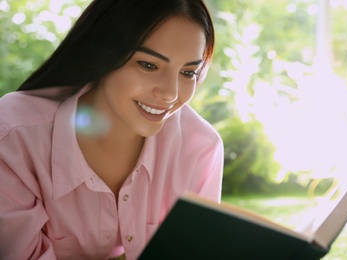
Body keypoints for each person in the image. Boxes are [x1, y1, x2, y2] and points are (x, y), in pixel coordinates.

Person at [0, 0, 224, 259]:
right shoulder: (13, 136)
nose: (170, 94)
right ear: (102, 55)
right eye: (149, 65)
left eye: (188, 73)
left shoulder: (201, 148)